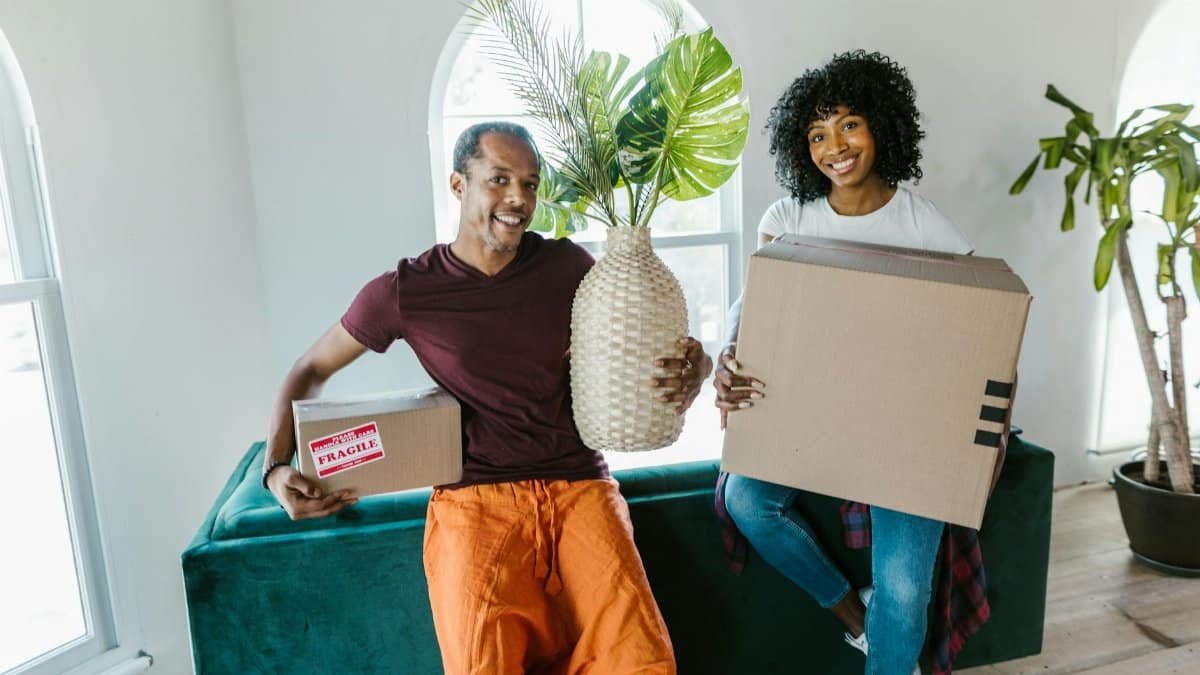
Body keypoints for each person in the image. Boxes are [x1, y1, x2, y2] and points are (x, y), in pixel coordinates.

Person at [261, 121, 711, 674]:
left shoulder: (569, 269)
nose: (518, 199)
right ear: (458, 184)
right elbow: (309, 368)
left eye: (530, 183)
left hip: (580, 486)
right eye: (499, 179)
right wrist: (276, 469)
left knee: (643, 663)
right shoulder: (407, 291)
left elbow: (639, 354)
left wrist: (694, 369)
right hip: (475, 500)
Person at [714, 51, 1002, 675]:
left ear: (881, 126)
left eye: (848, 124)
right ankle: (852, 611)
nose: (834, 147)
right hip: (812, 418)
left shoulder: (926, 227)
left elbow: (986, 330)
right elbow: (755, 316)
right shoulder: (787, 218)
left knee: (905, 590)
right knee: (745, 500)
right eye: (817, 134)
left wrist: (990, 428)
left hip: (907, 433)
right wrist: (727, 361)